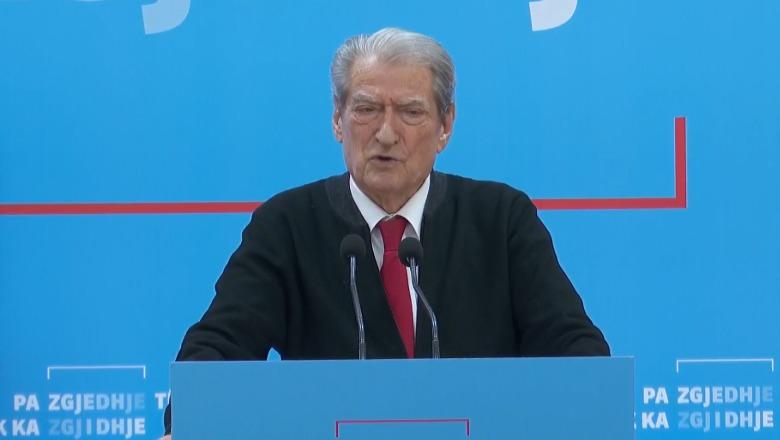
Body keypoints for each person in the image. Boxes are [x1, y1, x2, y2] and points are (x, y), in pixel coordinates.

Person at [161, 27, 609, 438]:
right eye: (366, 109)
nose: (386, 133)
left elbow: (573, 348)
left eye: (411, 112)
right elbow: (217, 350)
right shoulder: (287, 224)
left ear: (446, 126)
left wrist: (593, 416)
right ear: (337, 120)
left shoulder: (500, 218)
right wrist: (183, 426)